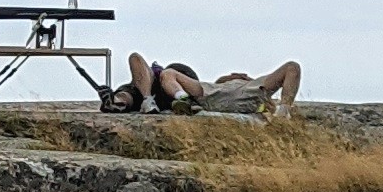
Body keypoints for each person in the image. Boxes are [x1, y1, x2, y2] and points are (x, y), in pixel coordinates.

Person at [114, 51, 300, 118]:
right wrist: (227, 78)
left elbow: (292, 71)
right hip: (210, 95)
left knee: (292, 67)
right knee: (168, 73)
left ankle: (284, 113)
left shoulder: (256, 85)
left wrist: (245, 79)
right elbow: (218, 83)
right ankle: (183, 100)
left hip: (245, 93)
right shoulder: (216, 84)